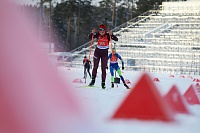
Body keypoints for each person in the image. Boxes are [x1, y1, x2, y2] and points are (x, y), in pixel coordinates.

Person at [88, 24, 118, 89]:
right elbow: (90, 37)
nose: (101, 32)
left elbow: (116, 39)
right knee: (95, 66)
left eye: (102, 31)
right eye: (100, 30)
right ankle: (93, 81)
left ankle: (103, 83)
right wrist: (91, 33)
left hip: (104, 53)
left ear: (105, 31)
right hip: (97, 52)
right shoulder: (97, 34)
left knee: (103, 68)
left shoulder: (107, 35)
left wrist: (112, 35)